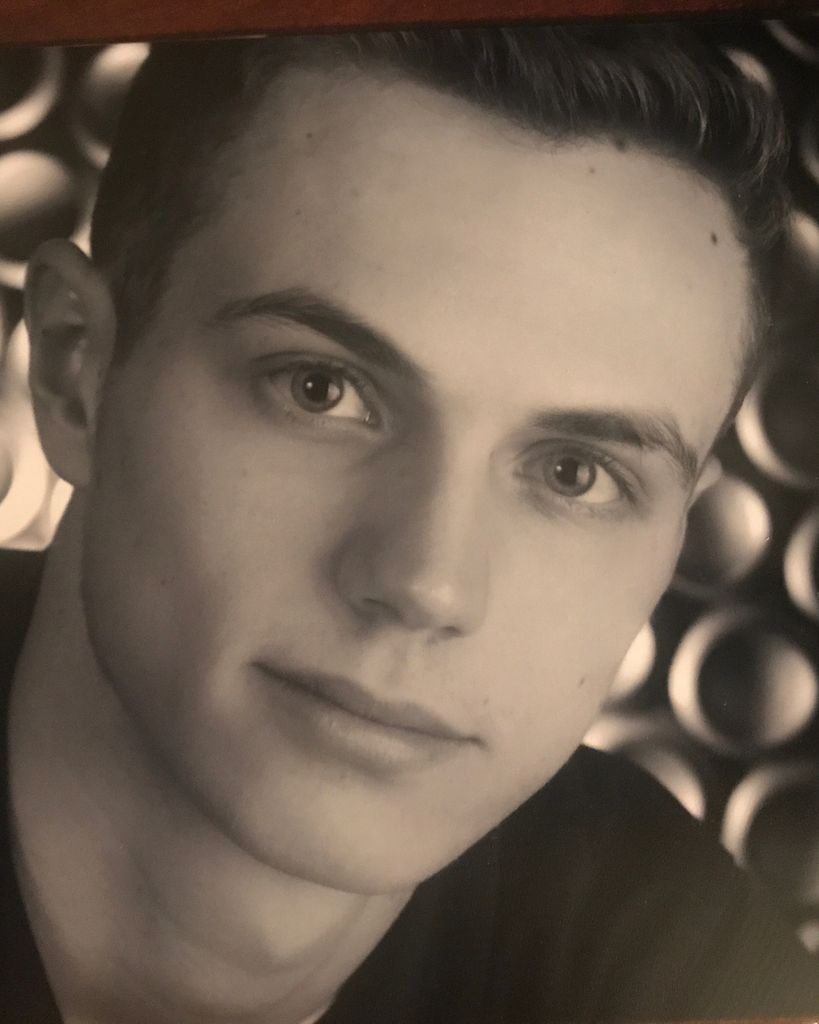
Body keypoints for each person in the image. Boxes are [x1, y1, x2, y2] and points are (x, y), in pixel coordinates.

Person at [2, 21, 817, 1024]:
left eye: (574, 473)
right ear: (75, 370)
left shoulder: (654, 928)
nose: (427, 582)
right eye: (320, 389)